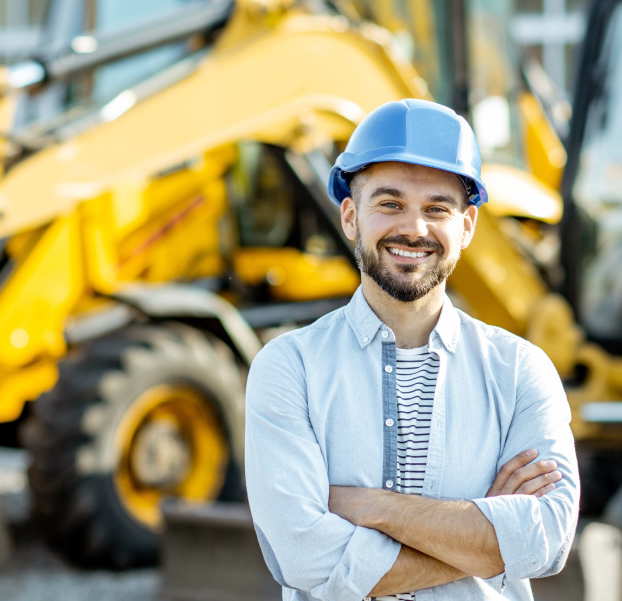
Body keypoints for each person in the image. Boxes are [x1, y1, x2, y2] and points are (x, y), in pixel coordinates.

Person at [245, 99, 579, 601]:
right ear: (351, 216)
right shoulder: (290, 368)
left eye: (437, 209)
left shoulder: (520, 371)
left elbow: (547, 539)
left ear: (466, 228)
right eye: (390, 204)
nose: (414, 229)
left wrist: (372, 507)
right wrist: (484, 537)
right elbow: (304, 557)